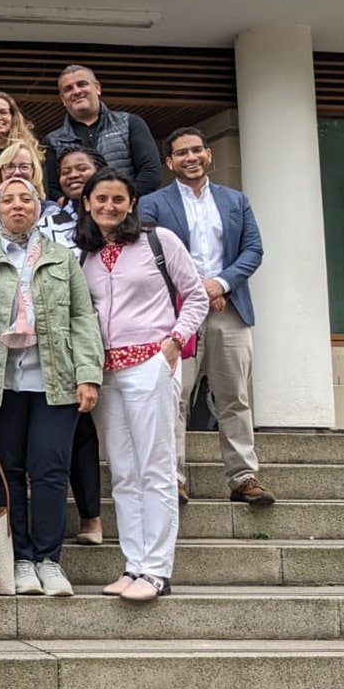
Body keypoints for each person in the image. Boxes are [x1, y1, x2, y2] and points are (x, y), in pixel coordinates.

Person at [0, 176, 103, 597]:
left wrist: (88, 375)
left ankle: (49, 559)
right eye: (9, 200)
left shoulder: (61, 259)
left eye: (26, 199)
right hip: (1, 384)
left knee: (50, 469)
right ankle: (20, 558)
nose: (18, 206)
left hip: (54, 381)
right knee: (8, 473)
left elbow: (82, 317)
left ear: (38, 209)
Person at [78, 167, 208, 602]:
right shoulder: (87, 254)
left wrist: (174, 341)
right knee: (122, 471)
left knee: (155, 468)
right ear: (88, 204)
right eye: (101, 199)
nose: (109, 206)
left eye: (118, 199)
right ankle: (133, 564)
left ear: (131, 203)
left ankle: (157, 570)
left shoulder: (159, 241)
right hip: (107, 371)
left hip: (151, 363)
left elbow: (196, 295)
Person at [140, 128, 274, 507]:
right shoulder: (153, 203)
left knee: (235, 397)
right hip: (177, 313)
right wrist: (196, 289)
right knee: (174, 397)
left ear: (209, 154)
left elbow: (253, 250)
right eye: (181, 153)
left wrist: (220, 284)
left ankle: (244, 477)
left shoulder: (236, 201)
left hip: (229, 309)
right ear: (169, 162)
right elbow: (151, 253)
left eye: (196, 150)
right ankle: (174, 478)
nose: (190, 157)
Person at [49, 146, 108, 544]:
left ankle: (94, 516)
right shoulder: (46, 218)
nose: (73, 175)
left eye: (81, 169)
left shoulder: (109, 217)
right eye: (66, 171)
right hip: (60, 333)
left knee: (89, 430)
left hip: (108, 330)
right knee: (76, 426)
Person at [45, 65, 162, 199]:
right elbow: (52, 189)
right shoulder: (52, 141)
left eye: (82, 84)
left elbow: (151, 173)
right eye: (68, 89)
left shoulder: (129, 124)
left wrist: (122, 202)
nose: (76, 91)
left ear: (97, 88)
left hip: (130, 215)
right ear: (62, 99)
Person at [0, 143, 72, 247]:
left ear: (34, 172)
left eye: (24, 167)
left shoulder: (50, 211)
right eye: (9, 167)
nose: (17, 172)